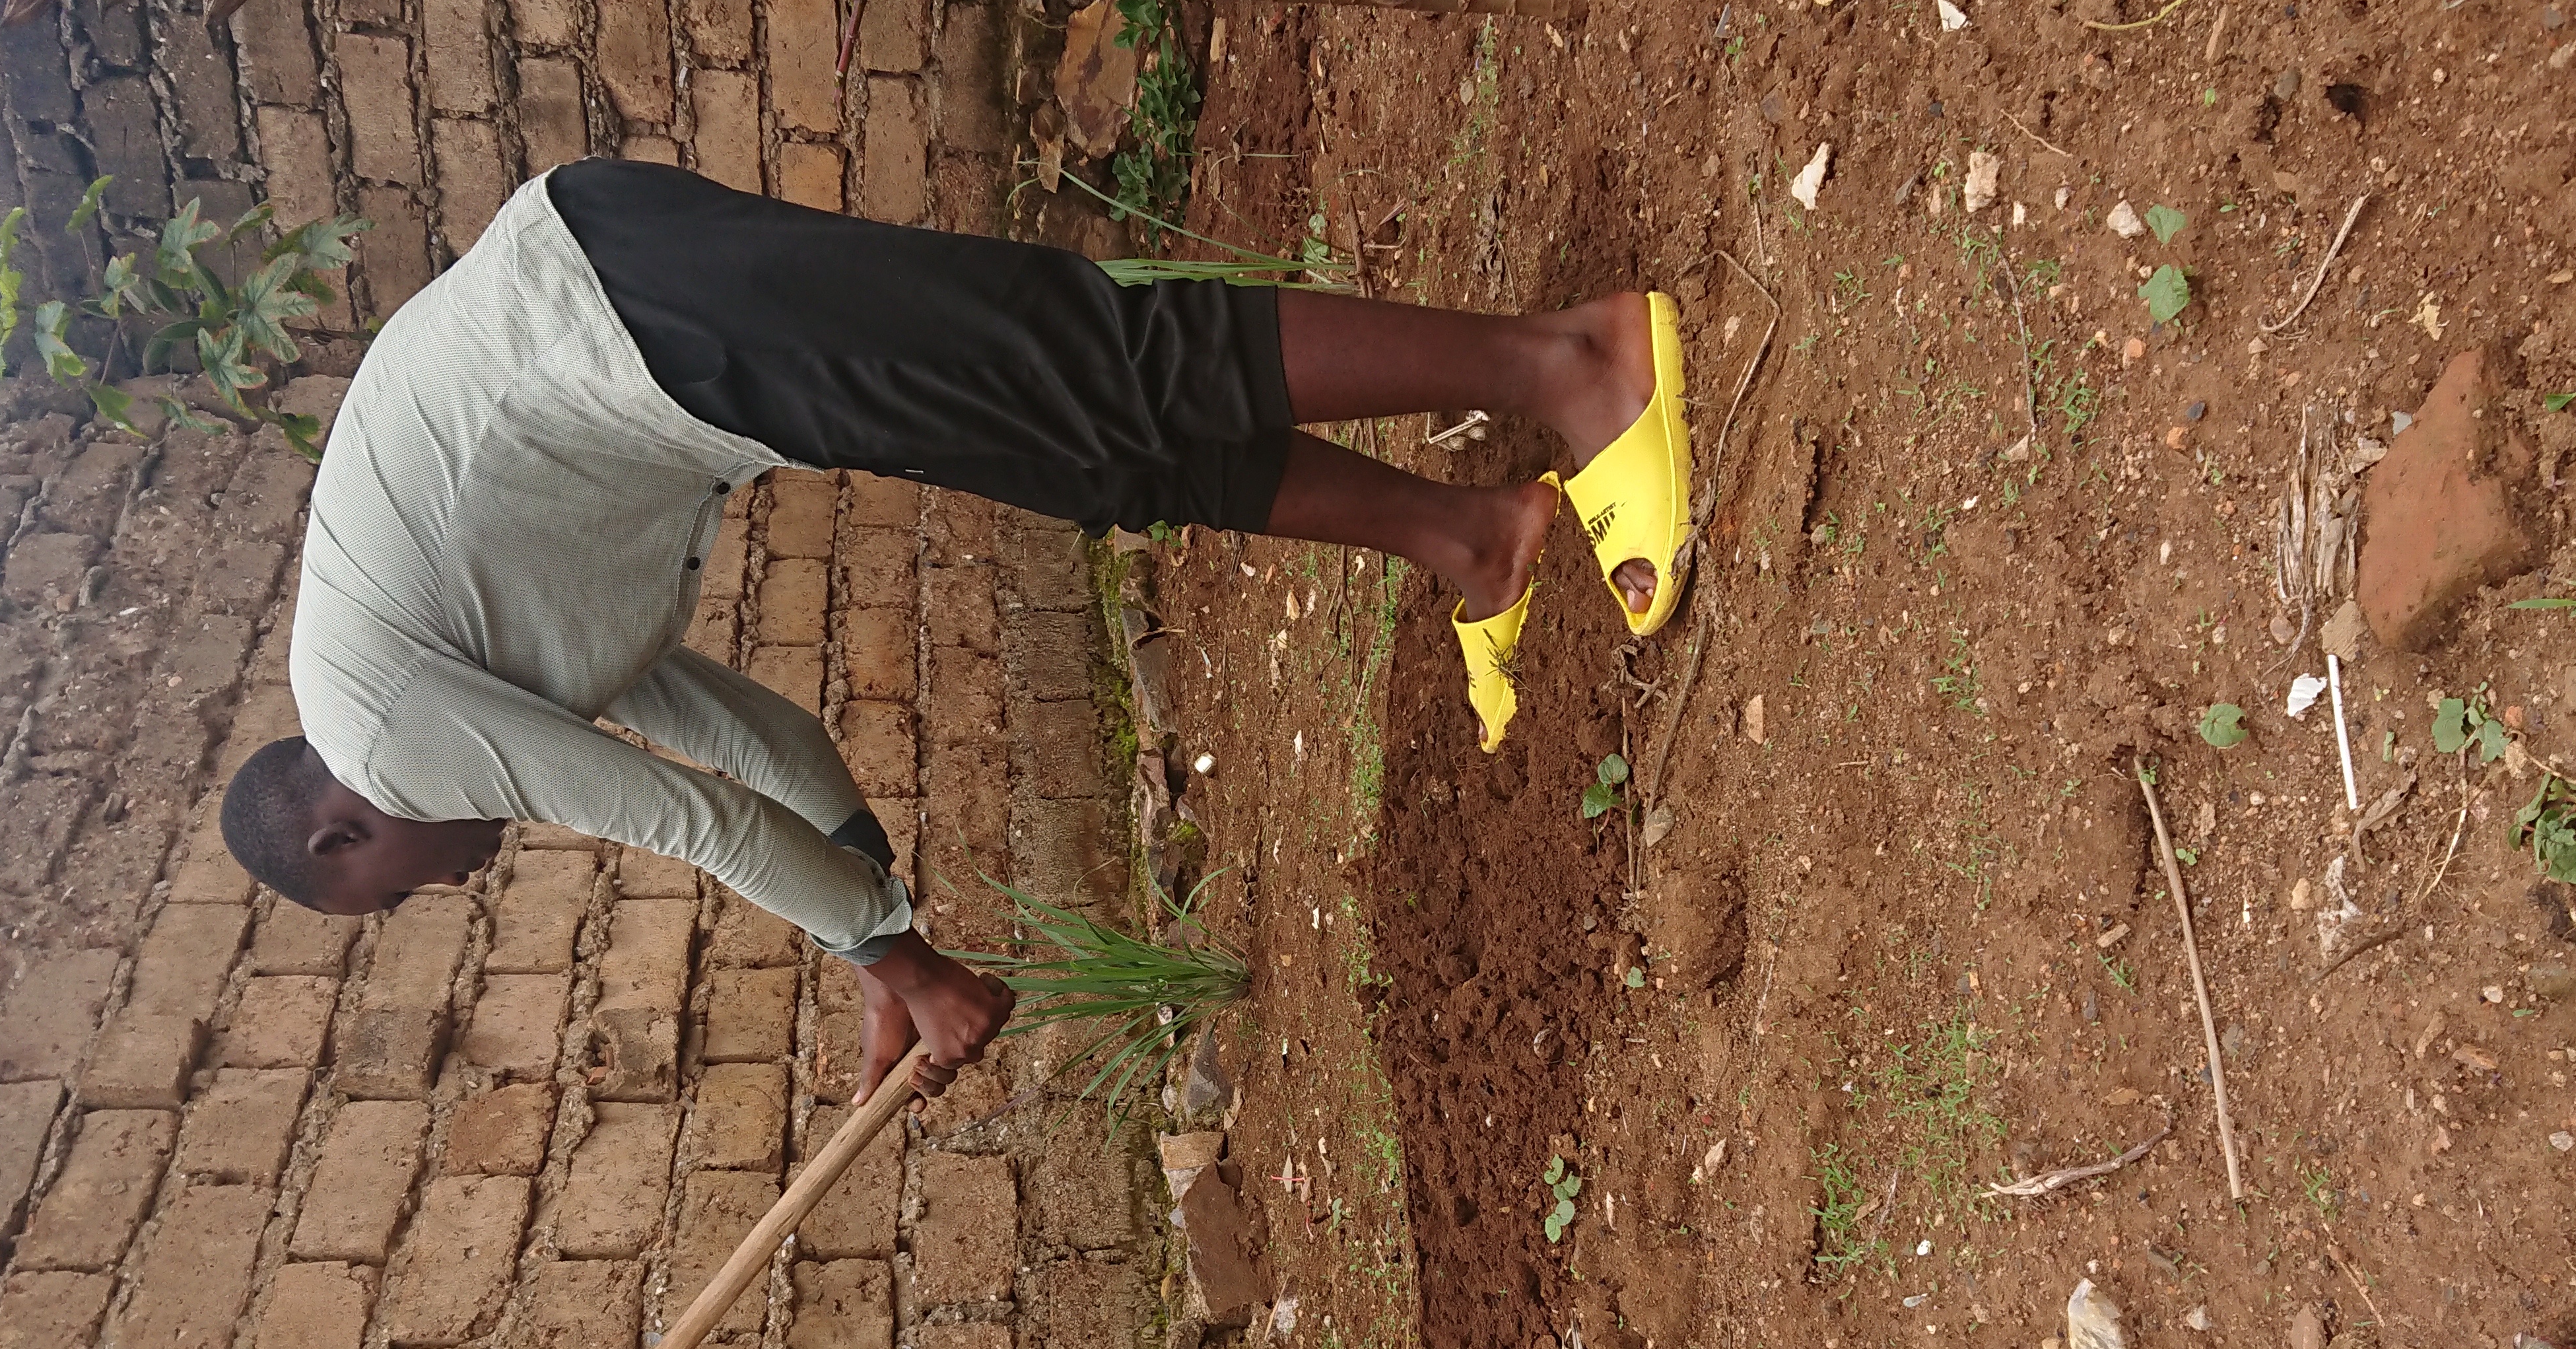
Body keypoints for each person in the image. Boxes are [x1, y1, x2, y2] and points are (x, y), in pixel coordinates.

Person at [218, 158, 1695, 1103]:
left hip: (626, 312)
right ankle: (1474, 539)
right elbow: (736, 743)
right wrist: (870, 903)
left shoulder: (389, 741)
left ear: (343, 838)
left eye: (396, 897)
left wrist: (901, 963)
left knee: (1087, 371)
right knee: (1090, 454)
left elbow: (691, 821)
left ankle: (1571, 362)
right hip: (652, 342)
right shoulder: (448, 656)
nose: (442, 886)